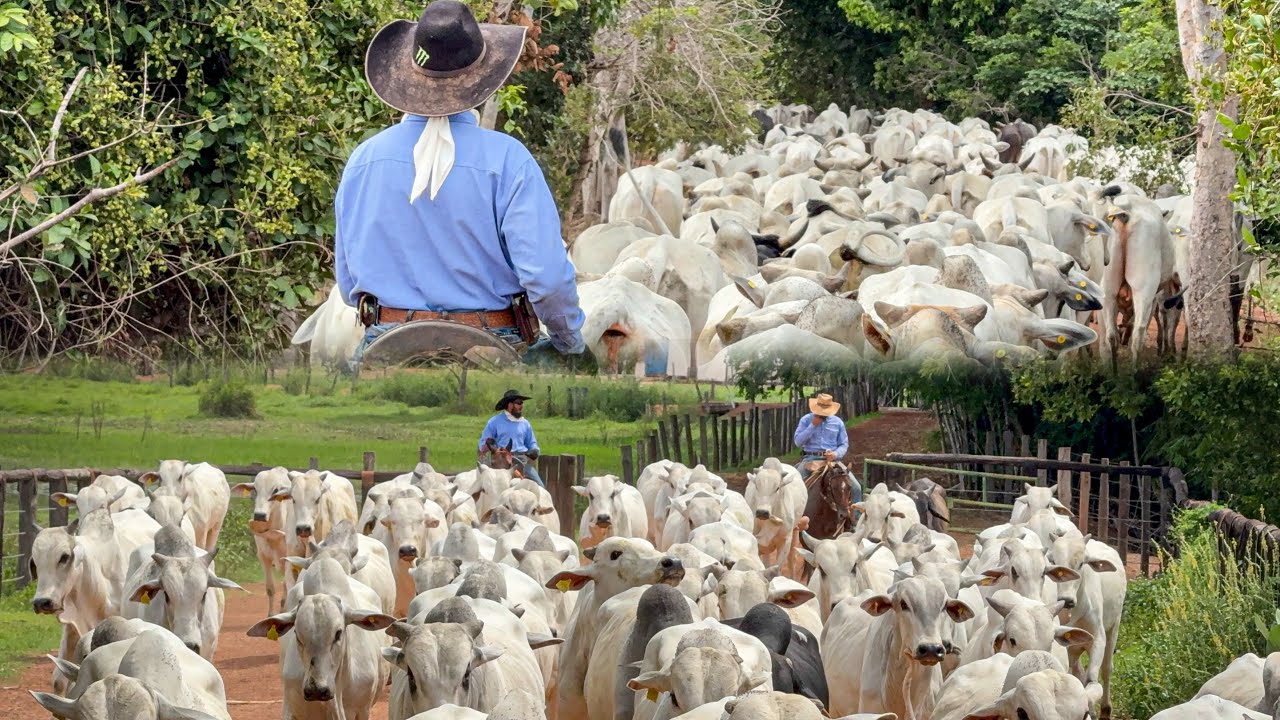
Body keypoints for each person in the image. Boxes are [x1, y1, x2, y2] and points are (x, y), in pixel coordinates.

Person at [335, 0, 586, 369]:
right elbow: (546, 280)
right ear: (483, 80)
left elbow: (347, 285)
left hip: (385, 343)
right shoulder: (509, 160)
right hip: (491, 345)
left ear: (410, 75)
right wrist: (569, 342)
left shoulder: (364, 160)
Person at [792, 392, 861, 504]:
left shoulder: (838, 423)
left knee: (856, 488)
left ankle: (856, 514)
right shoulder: (806, 420)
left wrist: (835, 454)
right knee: (793, 486)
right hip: (810, 459)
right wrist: (812, 425)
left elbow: (844, 444)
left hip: (833, 461)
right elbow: (798, 442)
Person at [478, 389, 544, 486]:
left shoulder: (525, 423)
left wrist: (534, 450)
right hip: (500, 462)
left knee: (540, 487)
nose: (521, 406)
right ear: (509, 405)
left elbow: (532, 443)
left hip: (521, 462)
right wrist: (488, 445)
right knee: (484, 487)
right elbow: (482, 444)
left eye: (522, 403)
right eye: (518, 403)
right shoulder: (494, 422)